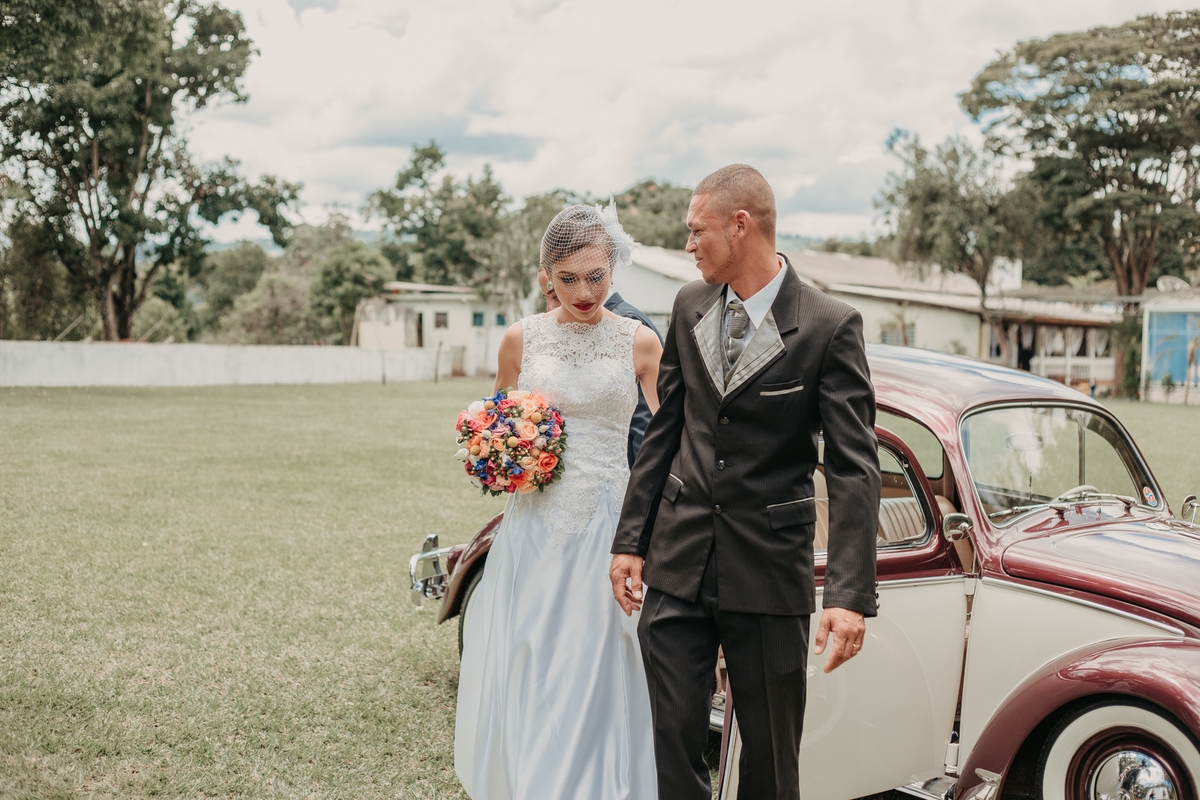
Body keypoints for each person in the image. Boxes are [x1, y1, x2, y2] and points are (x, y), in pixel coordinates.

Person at [609, 164, 881, 800]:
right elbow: (665, 431)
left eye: (696, 230)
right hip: (677, 565)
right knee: (671, 743)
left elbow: (853, 467)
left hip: (767, 571)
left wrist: (848, 595)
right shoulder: (688, 305)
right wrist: (630, 542)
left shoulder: (829, 325)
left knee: (770, 759)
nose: (688, 245)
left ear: (740, 225)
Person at [455, 202, 665, 799]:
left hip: (609, 523)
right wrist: (501, 454)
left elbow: (669, 440)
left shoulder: (640, 342)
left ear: (614, 268)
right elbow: (497, 421)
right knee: (534, 649)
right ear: (546, 275)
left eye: (596, 276)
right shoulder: (520, 339)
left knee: (596, 655)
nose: (584, 292)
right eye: (568, 278)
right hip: (537, 525)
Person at [538, 263, 662, 467]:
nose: (551, 307)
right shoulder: (575, 329)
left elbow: (644, 417)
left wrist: (642, 476)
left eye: (554, 296)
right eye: (548, 296)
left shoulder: (624, 325)